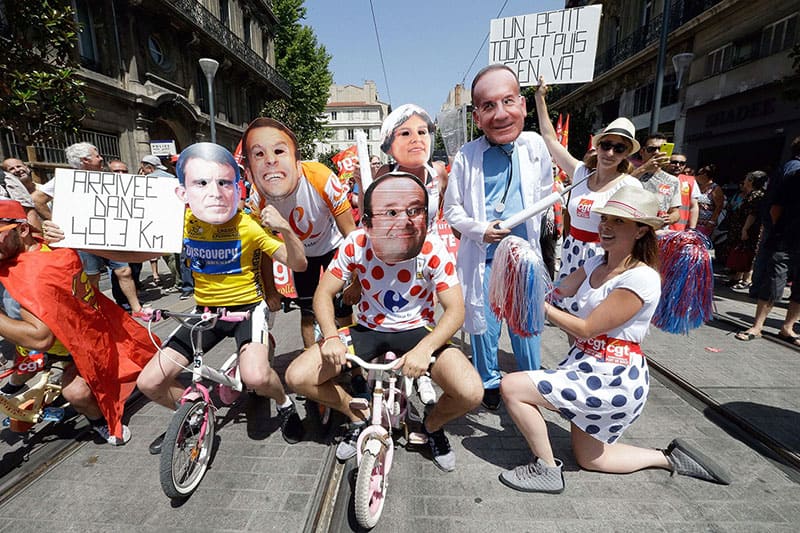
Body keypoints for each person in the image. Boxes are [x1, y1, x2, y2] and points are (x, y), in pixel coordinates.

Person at [498, 186, 731, 493]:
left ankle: (546, 469)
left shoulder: (641, 278)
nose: (606, 225)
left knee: (512, 386)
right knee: (591, 460)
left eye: (619, 221)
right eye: (606, 218)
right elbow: (558, 291)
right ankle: (668, 458)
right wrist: (523, 268)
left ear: (641, 231)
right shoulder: (596, 261)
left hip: (613, 377)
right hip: (586, 367)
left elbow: (586, 328)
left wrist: (537, 306)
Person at [286, 172, 482, 471]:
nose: (403, 219)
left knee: (471, 391)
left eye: (413, 210)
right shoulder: (356, 243)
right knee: (297, 376)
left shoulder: (431, 248)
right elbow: (323, 293)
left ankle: (431, 425)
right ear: (368, 221)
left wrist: (426, 349)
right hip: (367, 328)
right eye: (390, 212)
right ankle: (355, 414)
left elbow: (455, 309)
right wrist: (331, 336)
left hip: (419, 330)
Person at [134, 144, 307, 453]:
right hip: (206, 312)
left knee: (255, 376)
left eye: (223, 183)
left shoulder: (249, 226)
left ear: (235, 187)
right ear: (184, 191)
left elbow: (298, 264)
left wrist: (286, 230)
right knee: (149, 382)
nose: (213, 192)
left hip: (247, 311)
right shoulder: (184, 221)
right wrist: (62, 236)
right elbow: (139, 251)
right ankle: (192, 417)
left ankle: (283, 403)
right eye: (201, 183)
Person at [0, 200, 154, 444]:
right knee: (22, 374)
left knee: (77, 393)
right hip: (39, 347)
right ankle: (16, 386)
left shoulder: (54, 249)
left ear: (22, 230)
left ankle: (99, 422)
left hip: (87, 340)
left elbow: (40, 337)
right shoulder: (22, 252)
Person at [444, 65, 553, 411]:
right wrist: (480, 230)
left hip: (523, 260)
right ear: (477, 116)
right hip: (484, 259)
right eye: (489, 106)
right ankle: (488, 381)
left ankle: (530, 381)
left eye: (508, 101)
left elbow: (546, 190)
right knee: (484, 327)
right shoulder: (467, 156)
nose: (501, 113)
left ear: (522, 104)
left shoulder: (535, 146)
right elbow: (453, 210)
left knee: (527, 326)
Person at [242, 117, 357, 348]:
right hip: (301, 255)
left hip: (332, 246)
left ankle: (352, 368)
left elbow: (351, 235)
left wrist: (356, 280)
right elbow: (263, 248)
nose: (271, 162)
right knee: (307, 312)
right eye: (260, 155)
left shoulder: (321, 177)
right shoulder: (258, 195)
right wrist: (271, 289)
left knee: (342, 310)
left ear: (297, 162)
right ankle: (309, 359)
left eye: (278, 152)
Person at [532, 77, 642, 313]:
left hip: (604, 257)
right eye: (606, 145)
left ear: (626, 154)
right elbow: (550, 139)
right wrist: (540, 98)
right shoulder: (581, 173)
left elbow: (636, 231)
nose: (610, 152)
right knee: (569, 316)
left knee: (593, 318)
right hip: (572, 253)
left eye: (619, 148)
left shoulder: (629, 186)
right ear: (598, 145)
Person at [374, 103, 449, 404]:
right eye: (405, 132)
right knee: (388, 305)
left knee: (424, 308)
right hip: (389, 253)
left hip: (426, 253)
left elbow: (442, 210)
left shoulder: (438, 172)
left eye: (422, 131)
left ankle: (423, 371)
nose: (416, 138)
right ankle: (382, 361)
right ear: (390, 143)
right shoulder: (383, 172)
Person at [34, 142, 149, 317]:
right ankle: (93, 312)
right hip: (83, 237)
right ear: (85, 160)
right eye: (97, 155)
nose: (101, 158)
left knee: (124, 271)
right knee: (91, 277)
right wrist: (56, 222)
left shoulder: (105, 177)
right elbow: (37, 199)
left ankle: (137, 309)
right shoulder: (65, 179)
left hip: (110, 235)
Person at [736, 137, 800, 345]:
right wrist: (778, 230)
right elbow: (776, 206)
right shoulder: (794, 173)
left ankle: (788, 327)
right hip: (786, 236)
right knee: (774, 278)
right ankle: (758, 325)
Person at [629, 133, 681, 226]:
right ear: (642, 152)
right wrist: (645, 168)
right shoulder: (629, 173)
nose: (657, 152)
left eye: (662, 149)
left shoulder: (673, 180)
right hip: (632, 229)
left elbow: (675, 212)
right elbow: (622, 186)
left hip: (658, 233)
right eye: (651, 149)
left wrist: (670, 218)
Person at [666, 153, 700, 231]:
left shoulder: (690, 181)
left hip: (679, 229)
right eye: (674, 162)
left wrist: (692, 229)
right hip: (658, 228)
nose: (678, 165)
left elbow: (694, 206)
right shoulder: (657, 178)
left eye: (682, 163)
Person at [694, 164, 725, 238]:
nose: (695, 176)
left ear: (704, 175)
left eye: (698, 174)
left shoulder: (715, 188)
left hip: (705, 224)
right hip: (693, 222)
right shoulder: (697, 186)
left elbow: (719, 206)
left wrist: (712, 221)